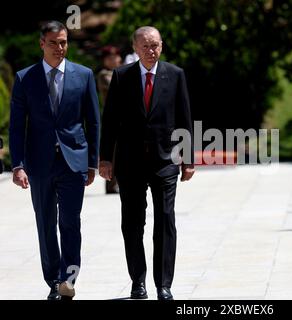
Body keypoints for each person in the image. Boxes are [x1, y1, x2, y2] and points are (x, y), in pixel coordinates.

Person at [99, 26, 194, 300]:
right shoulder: (121, 76)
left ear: (161, 46)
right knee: (132, 223)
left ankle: (164, 285)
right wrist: (106, 158)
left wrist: (188, 161)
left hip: (165, 161)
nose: (151, 51)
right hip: (130, 163)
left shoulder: (175, 75)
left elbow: (184, 120)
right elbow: (111, 121)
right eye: (145, 46)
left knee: (165, 220)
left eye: (155, 45)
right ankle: (137, 281)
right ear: (135, 48)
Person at [9, 21, 100, 300]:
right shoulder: (26, 78)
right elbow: (16, 126)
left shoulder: (83, 75)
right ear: (41, 44)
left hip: (73, 162)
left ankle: (69, 279)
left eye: (63, 42)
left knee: (71, 222)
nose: (60, 48)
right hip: (39, 164)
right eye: (53, 43)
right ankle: (53, 281)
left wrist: (93, 162)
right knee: (45, 222)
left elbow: (94, 122)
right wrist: (18, 164)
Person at [96, 45, 122, 194]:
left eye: (116, 57)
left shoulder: (122, 72)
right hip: (111, 117)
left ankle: (117, 182)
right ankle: (111, 184)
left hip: (124, 117)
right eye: (110, 58)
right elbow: (115, 85)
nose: (114, 60)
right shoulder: (104, 74)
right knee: (112, 152)